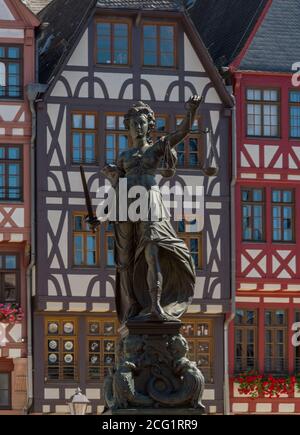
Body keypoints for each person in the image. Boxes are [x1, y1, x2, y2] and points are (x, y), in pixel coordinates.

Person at [89, 96, 203, 323]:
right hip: (127, 206)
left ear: (150, 126)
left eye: (143, 123)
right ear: (128, 128)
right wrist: (100, 217)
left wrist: (190, 111)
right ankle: (132, 306)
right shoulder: (123, 157)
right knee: (126, 260)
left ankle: (156, 305)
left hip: (150, 202)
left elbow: (181, 133)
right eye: (134, 123)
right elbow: (116, 190)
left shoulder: (156, 148)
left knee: (152, 252)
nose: (138, 127)